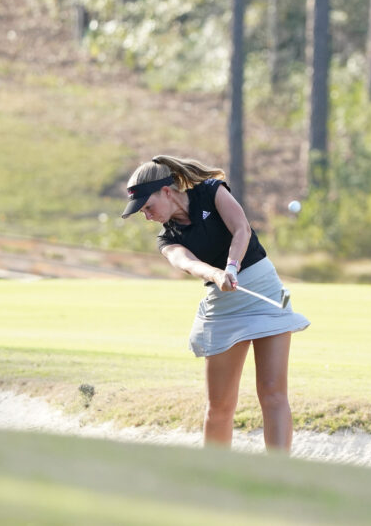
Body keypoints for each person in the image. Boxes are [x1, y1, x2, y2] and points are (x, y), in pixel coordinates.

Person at [121, 155, 310, 452]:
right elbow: (188, 264)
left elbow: (241, 229)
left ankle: (278, 472)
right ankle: (215, 474)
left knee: (273, 393)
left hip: (265, 291)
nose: (146, 215)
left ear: (166, 192)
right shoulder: (167, 239)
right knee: (220, 404)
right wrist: (217, 274)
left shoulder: (211, 191)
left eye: (147, 206)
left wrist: (232, 267)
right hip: (223, 304)